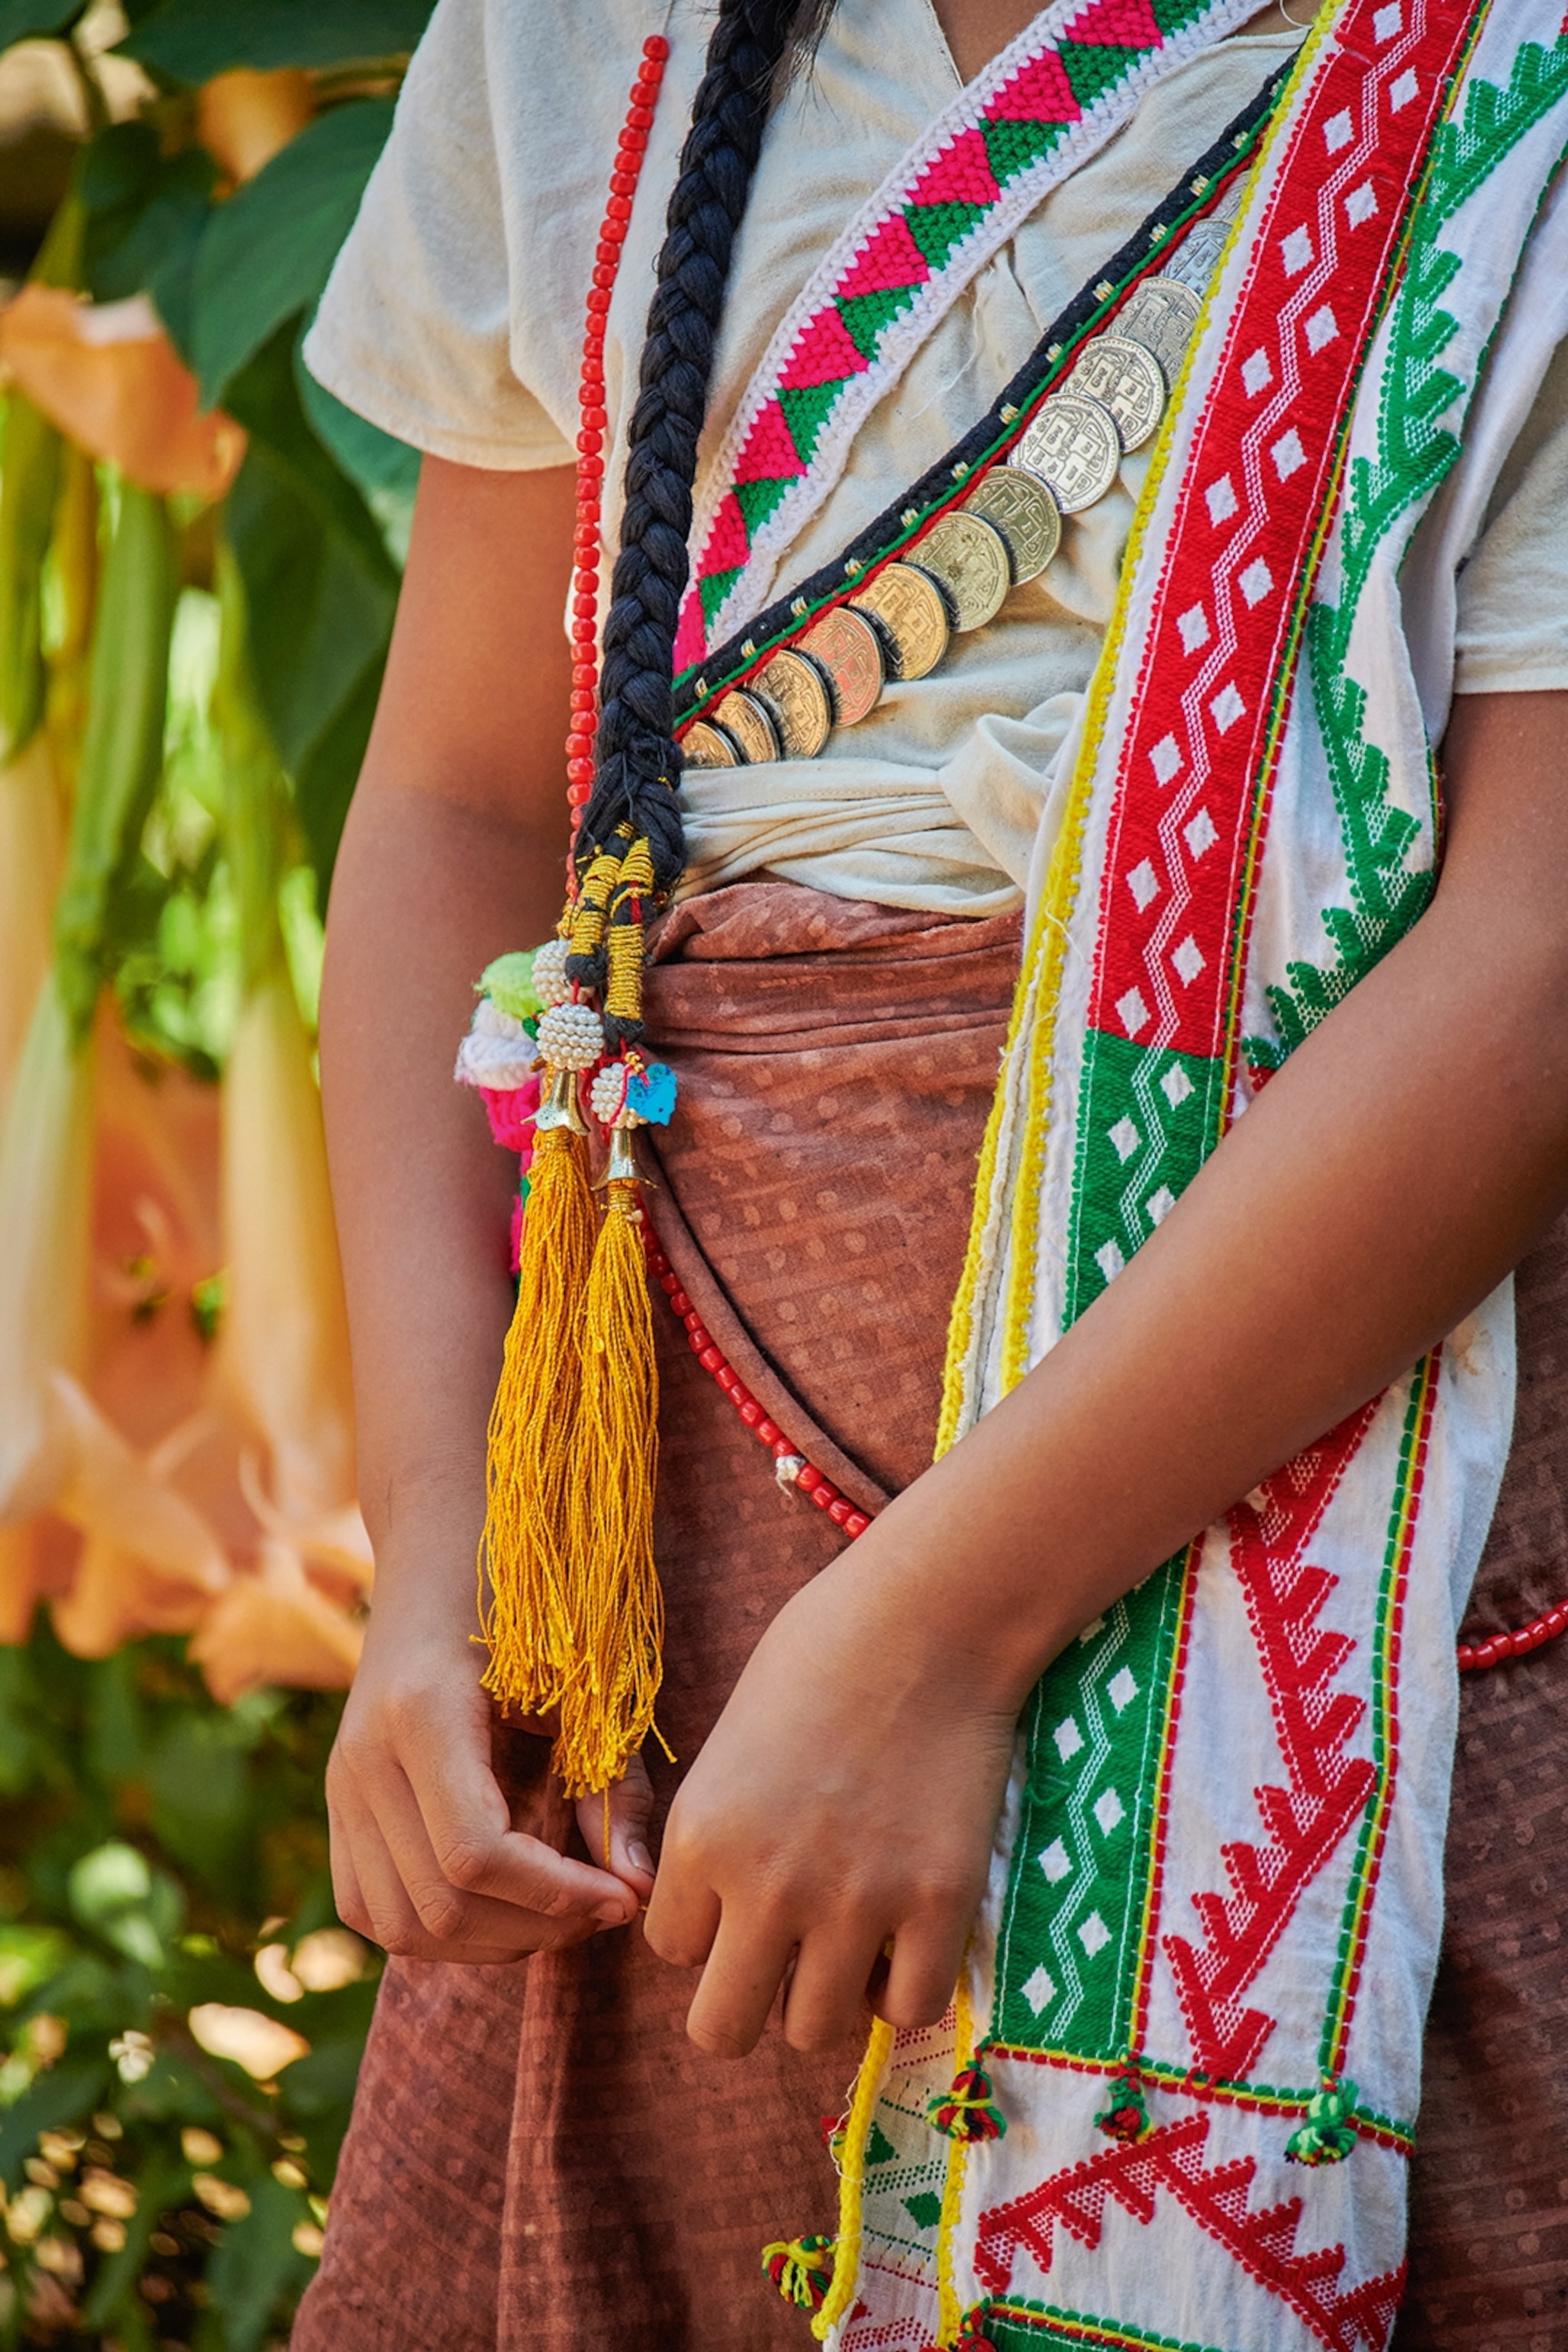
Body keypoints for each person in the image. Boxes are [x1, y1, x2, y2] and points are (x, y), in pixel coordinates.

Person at [292, 2, 1568, 2347]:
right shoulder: (586, 39)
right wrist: (443, 1568)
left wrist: (939, 1637)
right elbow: (463, 801)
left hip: (1314, 1497)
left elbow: (1538, 955)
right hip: (648, 1594)